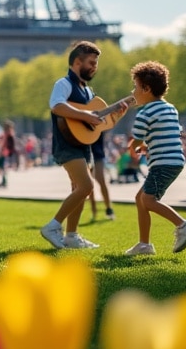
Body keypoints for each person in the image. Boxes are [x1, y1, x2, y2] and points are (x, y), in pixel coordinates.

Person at [40, 41, 128, 250]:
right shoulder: (63, 84)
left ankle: (71, 235)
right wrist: (84, 114)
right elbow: (57, 106)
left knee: (78, 188)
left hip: (83, 145)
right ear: (77, 62)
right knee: (87, 186)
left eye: (96, 63)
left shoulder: (88, 92)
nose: (94, 67)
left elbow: (98, 125)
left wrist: (117, 115)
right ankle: (53, 226)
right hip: (66, 144)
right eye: (91, 62)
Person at [125, 61, 186, 256]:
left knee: (148, 200)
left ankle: (182, 225)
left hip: (162, 164)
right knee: (140, 199)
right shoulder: (170, 108)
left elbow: (136, 140)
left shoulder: (145, 113)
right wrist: (147, 147)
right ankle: (144, 245)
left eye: (135, 87)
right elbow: (163, 134)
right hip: (174, 160)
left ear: (146, 88)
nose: (133, 92)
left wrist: (132, 148)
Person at [86, 134, 116, 221]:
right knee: (88, 183)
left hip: (97, 154)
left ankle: (108, 208)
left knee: (101, 180)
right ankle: (94, 210)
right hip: (86, 154)